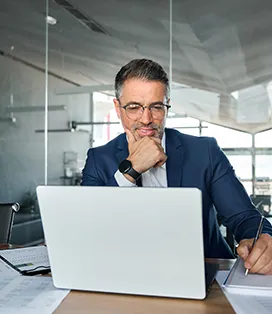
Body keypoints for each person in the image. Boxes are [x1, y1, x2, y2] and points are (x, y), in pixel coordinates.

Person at [82, 59, 272, 274]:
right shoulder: (99, 159)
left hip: (206, 272)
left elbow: (244, 217)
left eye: (156, 107)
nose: (146, 119)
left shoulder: (204, 151)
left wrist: (264, 239)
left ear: (167, 106)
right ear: (118, 108)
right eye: (134, 107)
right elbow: (90, 229)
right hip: (128, 274)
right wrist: (131, 169)